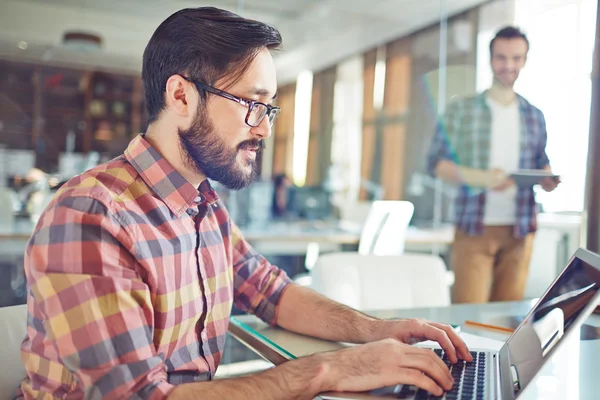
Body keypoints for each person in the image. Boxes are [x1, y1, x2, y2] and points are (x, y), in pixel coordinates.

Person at [18, 7, 471, 399]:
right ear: (181, 96)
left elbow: (271, 293)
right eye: (251, 104)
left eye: (269, 108)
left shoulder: (202, 203)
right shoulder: (90, 215)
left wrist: (378, 329)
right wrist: (330, 369)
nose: (264, 130)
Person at [427, 26, 560, 304]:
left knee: (506, 320)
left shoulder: (534, 115)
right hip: (474, 227)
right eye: (501, 57)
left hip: (520, 231)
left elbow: (541, 162)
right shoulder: (461, 110)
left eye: (515, 58)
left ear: (524, 60)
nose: (508, 65)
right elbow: (438, 165)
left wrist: (547, 178)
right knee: (468, 315)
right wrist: (485, 178)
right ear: (490, 60)